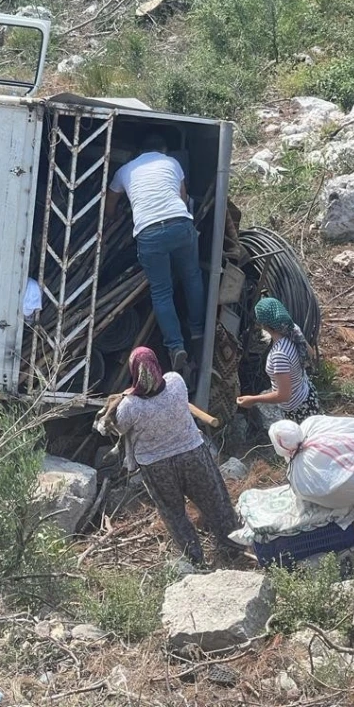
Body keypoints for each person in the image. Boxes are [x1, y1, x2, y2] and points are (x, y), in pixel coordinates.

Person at [99, 347, 236, 565]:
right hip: (193, 454)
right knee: (215, 501)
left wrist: (126, 396)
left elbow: (121, 428)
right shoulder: (175, 382)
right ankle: (233, 547)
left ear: (134, 372)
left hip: (157, 467)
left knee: (175, 515)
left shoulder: (129, 407)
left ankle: (195, 561)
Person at [105, 134, 204, 372]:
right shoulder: (172, 163)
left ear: (139, 152)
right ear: (163, 149)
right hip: (180, 223)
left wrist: (117, 217)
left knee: (161, 292)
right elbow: (182, 198)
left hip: (148, 232)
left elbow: (109, 206)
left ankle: (175, 346)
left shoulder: (125, 171)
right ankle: (198, 330)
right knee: (192, 276)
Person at [236, 297, 321, 424]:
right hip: (308, 394)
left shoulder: (279, 355)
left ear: (263, 324)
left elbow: (284, 395)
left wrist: (253, 399)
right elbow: (310, 353)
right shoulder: (293, 329)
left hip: (297, 409)